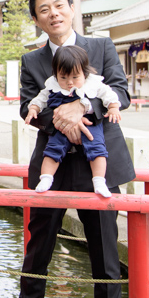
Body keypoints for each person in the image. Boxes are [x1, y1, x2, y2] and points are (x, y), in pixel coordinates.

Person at [14, 0, 135, 298]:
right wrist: (60, 118)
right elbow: (26, 108)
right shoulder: (32, 61)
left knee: (104, 254)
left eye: (59, 5)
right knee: (38, 251)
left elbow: (120, 91)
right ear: (36, 18)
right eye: (44, 9)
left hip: (97, 164)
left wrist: (80, 108)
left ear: (71, 8)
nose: (53, 13)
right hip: (52, 165)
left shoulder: (100, 47)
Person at [25, 44, 122, 197]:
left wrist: (113, 107)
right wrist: (33, 109)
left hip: (89, 123)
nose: (69, 82)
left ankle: (99, 181)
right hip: (60, 126)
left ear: (85, 73)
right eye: (63, 77)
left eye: (75, 77)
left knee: (97, 149)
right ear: (56, 74)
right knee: (52, 149)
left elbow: (109, 94)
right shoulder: (53, 85)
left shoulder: (93, 84)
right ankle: (46, 178)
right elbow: (40, 99)